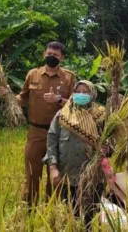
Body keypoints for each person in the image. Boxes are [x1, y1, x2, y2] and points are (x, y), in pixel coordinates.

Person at [0, 41, 75, 205]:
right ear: (44, 54)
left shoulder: (69, 77)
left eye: (55, 55)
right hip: (36, 132)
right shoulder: (33, 74)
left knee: (55, 174)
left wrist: (59, 99)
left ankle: (52, 209)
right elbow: (23, 98)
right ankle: (29, 209)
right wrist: (9, 96)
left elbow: (76, 105)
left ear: (62, 57)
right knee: (32, 173)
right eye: (49, 54)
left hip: (60, 133)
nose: (51, 57)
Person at [44, 80, 108, 229]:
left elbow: (111, 140)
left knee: (91, 212)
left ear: (92, 94)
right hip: (68, 172)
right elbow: (52, 140)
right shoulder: (62, 115)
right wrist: (53, 167)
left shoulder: (101, 116)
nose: (81, 94)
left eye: (86, 92)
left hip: (93, 175)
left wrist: (107, 148)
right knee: (72, 211)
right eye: (78, 91)